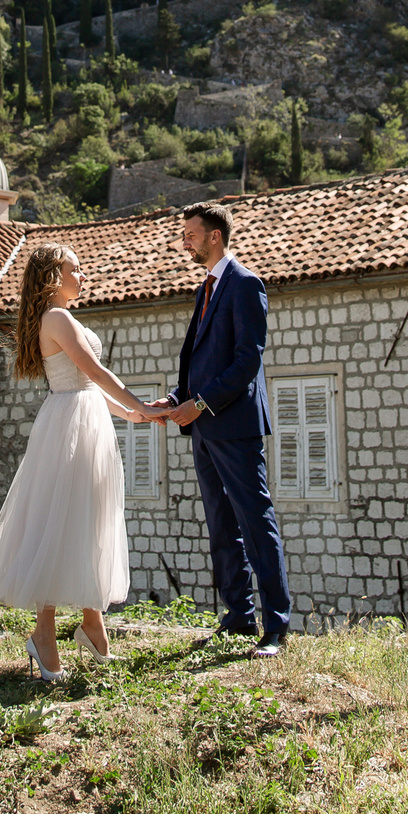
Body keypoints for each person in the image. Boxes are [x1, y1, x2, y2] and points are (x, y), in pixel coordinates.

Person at [0, 241, 159, 681]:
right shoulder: (56, 317)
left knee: (86, 515)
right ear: (53, 277)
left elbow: (87, 385)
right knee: (59, 520)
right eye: (75, 269)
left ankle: (92, 622)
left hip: (84, 417)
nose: (83, 276)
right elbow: (93, 374)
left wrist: (129, 413)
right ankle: (45, 633)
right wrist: (142, 406)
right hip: (71, 425)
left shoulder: (61, 316)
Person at [146, 203, 292, 654]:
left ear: (214, 237)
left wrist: (201, 403)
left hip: (235, 425)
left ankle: (277, 627)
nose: (184, 240)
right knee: (220, 524)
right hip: (205, 430)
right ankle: (238, 618)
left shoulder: (246, 284)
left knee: (255, 521)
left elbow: (248, 360)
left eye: (190, 233)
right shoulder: (205, 288)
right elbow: (201, 361)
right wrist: (175, 398)